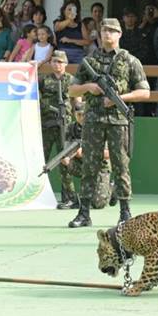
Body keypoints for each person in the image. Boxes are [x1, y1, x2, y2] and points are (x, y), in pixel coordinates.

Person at [68, 17, 150, 227]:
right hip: (93, 120)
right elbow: (72, 89)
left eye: (112, 31)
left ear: (119, 34)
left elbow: (145, 92)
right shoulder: (90, 60)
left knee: (121, 166)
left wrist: (120, 99)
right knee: (89, 166)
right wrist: (89, 87)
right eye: (104, 30)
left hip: (118, 121)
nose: (107, 34)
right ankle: (84, 212)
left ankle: (125, 213)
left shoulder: (130, 61)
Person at [39, 50, 81, 209]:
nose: (57, 64)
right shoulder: (44, 80)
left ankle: (70, 197)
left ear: (66, 64)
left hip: (65, 126)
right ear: (50, 63)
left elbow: (78, 102)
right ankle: (38, 193)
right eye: (55, 61)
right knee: (42, 159)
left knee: (65, 160)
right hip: (47, 125)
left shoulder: (72, 80)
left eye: (60, 62)